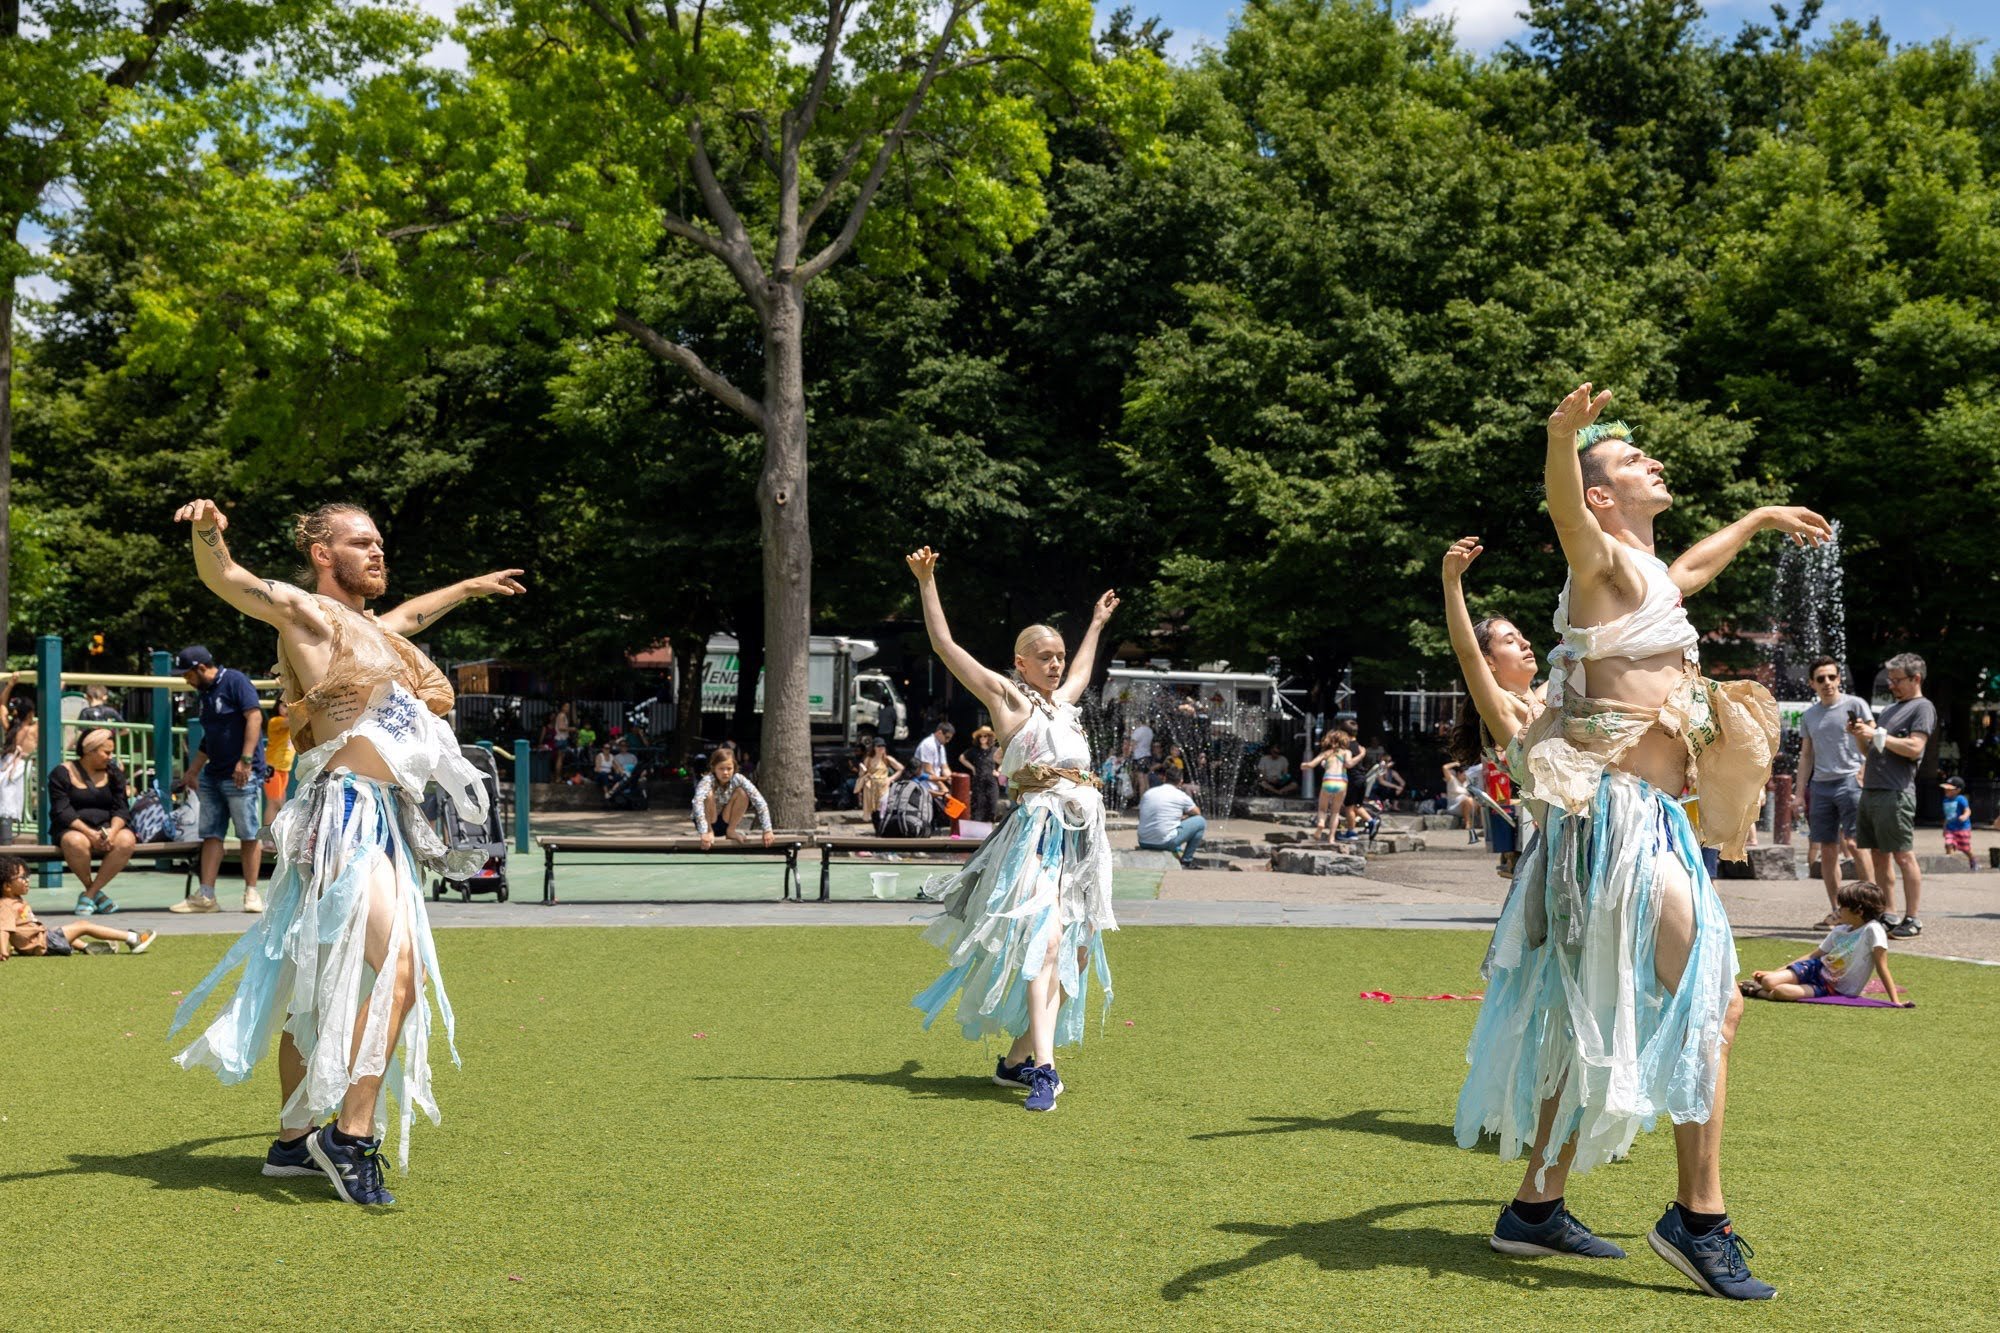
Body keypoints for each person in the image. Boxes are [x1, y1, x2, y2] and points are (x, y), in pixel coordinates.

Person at [1456, 385, 1829, 1300]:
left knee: (1597, 1005)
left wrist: (1756, 517)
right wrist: (1558, 439)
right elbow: (1562, 508)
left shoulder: (1647, 576)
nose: (1651, 462)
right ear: (1600, 498)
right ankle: (1698, 1218)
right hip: (1617, 815)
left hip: (1643, 819)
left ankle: (1535, 1208)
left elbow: (1692, 570)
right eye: (1630, 462)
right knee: (1714, 998)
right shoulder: (1597, 566)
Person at [166, 498, 525, 1206]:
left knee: (313, 980)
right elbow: (231, 579)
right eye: (362, 542)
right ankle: (349, 1137)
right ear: (324, 554)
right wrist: (209, 531)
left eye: (380, 541)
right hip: (346, 813)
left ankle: (292, 1141)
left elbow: (412, 618)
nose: (377, 551)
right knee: (399, 971)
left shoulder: (369, 629)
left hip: (371, 815)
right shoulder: (307, 615)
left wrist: (466, 587)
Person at [904, 546, 1118, 1114]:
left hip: (1081, 839)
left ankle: (1016, 1061)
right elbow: (946, 649)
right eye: (1042, 657)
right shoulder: (1009, 700)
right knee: (1045, 940)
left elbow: (1080, 673)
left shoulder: (1064, 706)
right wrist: (927, 582)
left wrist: (1096, 624)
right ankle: (1044, 1071)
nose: (1054, 664)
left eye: (1058, 656)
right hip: (1037, 835)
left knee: (1073, 949)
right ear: (1019, 663)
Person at [1441, 535, 1543, 877]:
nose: (1526, 642)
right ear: (1490, 663)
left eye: (1521, 636)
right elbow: (1466, 652)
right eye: (1510, 641)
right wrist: (1452, 581)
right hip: (1558, 843)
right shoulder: (1501, 708)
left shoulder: (1545, 697)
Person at [167, 645, 267, 915]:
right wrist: (192, 771)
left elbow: (254, 716)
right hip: (213, 775)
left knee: (248, 834)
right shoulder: (205, 694)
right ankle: (206, 896)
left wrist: (245, 760)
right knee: (211, 834)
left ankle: (252, 893)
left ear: (200, 668)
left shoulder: (235, 681)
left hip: (241, 774)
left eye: (186, 674)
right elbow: (208, 739)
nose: (185, 680)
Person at [1850, 653, 1935, 938]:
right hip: (1873, 790)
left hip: (1895, 793)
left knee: (1903, 856)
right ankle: (1889, 914)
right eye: (1890, 679)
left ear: (1916, 679)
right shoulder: (1889, 710)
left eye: (1897, 680)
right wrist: (1861, 735)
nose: (1892, 685)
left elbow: (1914, 748)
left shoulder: (1922, 707)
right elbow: (1872, 751)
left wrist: (1877, 734)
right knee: (1878, 857)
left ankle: (1913, 918)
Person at [1741, 880, 1907, 1005]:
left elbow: (1881, 966)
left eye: (1842, 907)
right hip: (1816, 969)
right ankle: (1763, 985)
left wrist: (1895, 1001)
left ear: (1858, 911)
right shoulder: (1840, 929)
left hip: (1832, 986)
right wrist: (1774, 972)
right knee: (1768, 981)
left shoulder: (1872, 930)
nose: (1838, 911)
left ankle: (1756, 992)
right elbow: (1815, 955)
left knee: (1780, 992)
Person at [1794, 657, 1870, 928]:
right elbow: (1805, 756)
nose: (1827, 683)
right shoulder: (1810, 715)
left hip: (1850, 780)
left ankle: (1870, 909)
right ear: (1812, 683)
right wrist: (1799, 793)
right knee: (1827, 849)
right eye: (1821, 679)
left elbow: (1872, 737)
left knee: (1855, 844)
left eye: (1831, 677)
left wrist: (1864, 771)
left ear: (1839, 679)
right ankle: (1839, 910)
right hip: (1822, 786)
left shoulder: (1855, 704)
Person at [49, 728, 139, 914]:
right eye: (106, 752)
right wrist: (89, 833)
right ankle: (95, 892)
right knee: (75, 842)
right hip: (73, 828)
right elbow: (61, 810)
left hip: (108, 827)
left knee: (126, 839)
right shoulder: (62, 773)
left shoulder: (114, 774)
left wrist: (112, 832)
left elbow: (121, 808)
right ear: (90, 751)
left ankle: (90, 894)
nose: (110, 757)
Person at [1, 855, 157, 960]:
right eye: (22, 877)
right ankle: (133, 939)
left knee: (57, 930)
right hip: (44, 944)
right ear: (7, 886)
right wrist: (3, 950)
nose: (27, 880)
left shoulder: (16, 900)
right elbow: (4, 930)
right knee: (83, 926)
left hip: (43, 940)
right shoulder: (6, 906)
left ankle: (88, 947)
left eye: (27, 876)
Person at [693, 746, 774, 848]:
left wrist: (767, 830)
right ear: (714, 768)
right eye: (721, 769)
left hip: (725, 822)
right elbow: (697, 803)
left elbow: (760, 801)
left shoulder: (738, 779)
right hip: (706, 822)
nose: (725, 772)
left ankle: (731, 830)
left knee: (742, 793)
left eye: (729, 768)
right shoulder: (707, 780)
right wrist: (704, 831)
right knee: (708, 794)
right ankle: (710, 830)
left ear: (734, 768)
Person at [1136, 770, 1205, 868]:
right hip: (1164, 843)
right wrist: (1183, 816)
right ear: (1181, 781)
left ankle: (1176, 851)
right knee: (1200, 821)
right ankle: (1187, 860)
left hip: (1143, 842)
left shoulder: (1149, 793)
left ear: (1164, 779)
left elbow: (1141, 815)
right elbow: (1197, 813)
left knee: (1169, 826)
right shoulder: (1181, 795)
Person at [0, 713, 36, 845]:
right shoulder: (34, 729)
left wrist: (7, 690)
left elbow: (2, 708)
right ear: (31, 714)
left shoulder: (10, 726)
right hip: (20, 765)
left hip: (7, 764)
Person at [262, 697, 296, 828]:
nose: (287, 709)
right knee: (274, 802)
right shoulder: (275, 721)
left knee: (281, 802)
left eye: (289, 706)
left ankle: (275, 836)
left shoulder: (293, 726)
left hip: (284, 769)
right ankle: (267, 839)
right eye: (284, 706)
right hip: (271, 768)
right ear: (277, 707)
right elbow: (289, 722)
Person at [958, 725, 1002, 824]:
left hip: (991, 781)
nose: (982, 738)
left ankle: (990, 826)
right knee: (978, 804)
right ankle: (977, 829)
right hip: (978, 780)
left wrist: (998, 770)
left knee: (992, 803)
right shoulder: (974, 750)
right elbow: (961, 758)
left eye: (985, 736)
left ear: (989, 737)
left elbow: (1005, 760)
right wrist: (972, 768)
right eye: (980, 736)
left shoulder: (995, 750)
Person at [856, 738, 904, 823]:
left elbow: (901, 768)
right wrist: (862, 771)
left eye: (883, 746)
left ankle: (882, 828)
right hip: (871, 787)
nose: (881, 748)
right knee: (873, 810)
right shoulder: (868, 759)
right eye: (879, 746)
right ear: (874, 747)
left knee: (883, 807)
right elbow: (862, 774)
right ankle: (878, 829)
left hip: (883, 786)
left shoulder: (887, 759)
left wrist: (890, 778)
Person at [1941, 775, 1974, 871]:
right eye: (1945, 788)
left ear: (1958, 790)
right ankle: (1950, 864)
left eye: (1949, 789)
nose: (1946, 790)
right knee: (1948, 844)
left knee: (1965, 848)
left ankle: (1972, 860)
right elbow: (1947, 816)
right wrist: (1944, 828)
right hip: (1950, 829)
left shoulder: (1961, 799)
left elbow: (1968, 810)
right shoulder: (1945, 800)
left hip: (1962, 828)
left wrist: (1965, 816)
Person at [914, 721, 954, 797]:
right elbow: (928, 770)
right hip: (924, 785)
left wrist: (952, 781)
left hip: (934, 784)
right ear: (939, 733)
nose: (948, 741)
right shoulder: (928, 744)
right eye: (947, 737)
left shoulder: (941, 746)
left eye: (949, 738)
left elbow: (945, 768)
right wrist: (942, 786)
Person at [1129, 720, 1154, 800]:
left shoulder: (1138, 731)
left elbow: (1133, 743)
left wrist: (1130, 754)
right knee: (1146, 779)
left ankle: (1142, 801)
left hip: (1139, 756)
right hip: (1147, 756)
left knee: (1141, 780)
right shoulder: (1150, 731)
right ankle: (1149, 800)